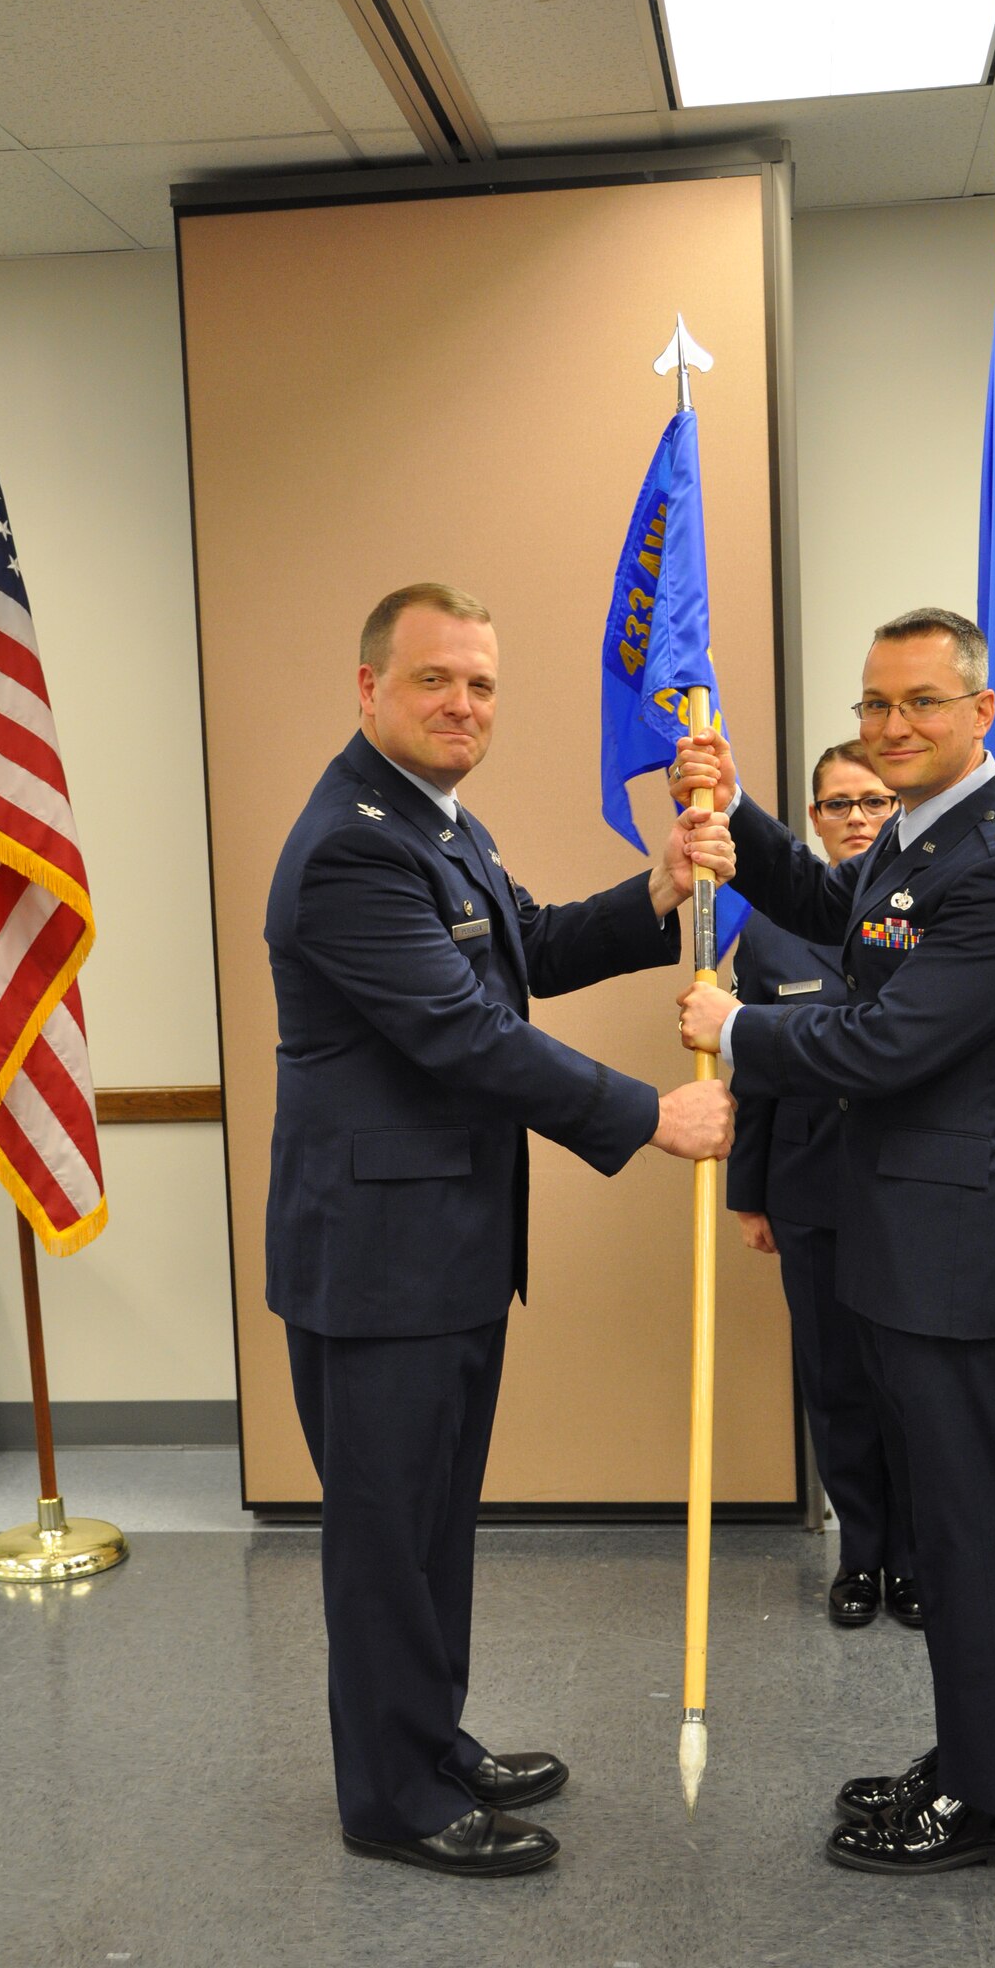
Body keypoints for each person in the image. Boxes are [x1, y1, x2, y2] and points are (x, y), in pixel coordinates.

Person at [265, 582, 736, 1881]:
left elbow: (522, 943)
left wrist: (657, 888)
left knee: (430, 1524)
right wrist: (654, 1114)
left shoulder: (433, 824)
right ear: (370, 688)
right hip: (378, 1260)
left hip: (446, 1247)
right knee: (384, 1537)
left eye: (481, 683)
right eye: (435, 680)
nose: (463, 704)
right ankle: (391, 1799)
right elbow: (467, 1039)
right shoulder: (355, 845)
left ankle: (428, 1739)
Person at [674, 606, 995, 1875]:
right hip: (906, 1235)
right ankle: (971, 1755)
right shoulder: (925, 838)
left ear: (979, 715)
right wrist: (740, 813)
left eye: (917, 703)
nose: (890, 727)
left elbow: (890, 1040)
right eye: (872, 705)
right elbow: (827, 901)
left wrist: (733, 1028)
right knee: (949, 1518)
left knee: (970, 1528)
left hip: (951, 1246)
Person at [726, 740, 921, 1632]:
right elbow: (753, 1071)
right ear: (812, 819)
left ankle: (916, 1559)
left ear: (895, 812)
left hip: (903, 1187)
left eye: (873, 802)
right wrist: (750, 1194)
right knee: (835, 1381)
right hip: (808, 1187)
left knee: (909, 1384)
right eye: (837, 803)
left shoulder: (925, 910)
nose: (856, 817)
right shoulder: (767, 929)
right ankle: (861, 1556)